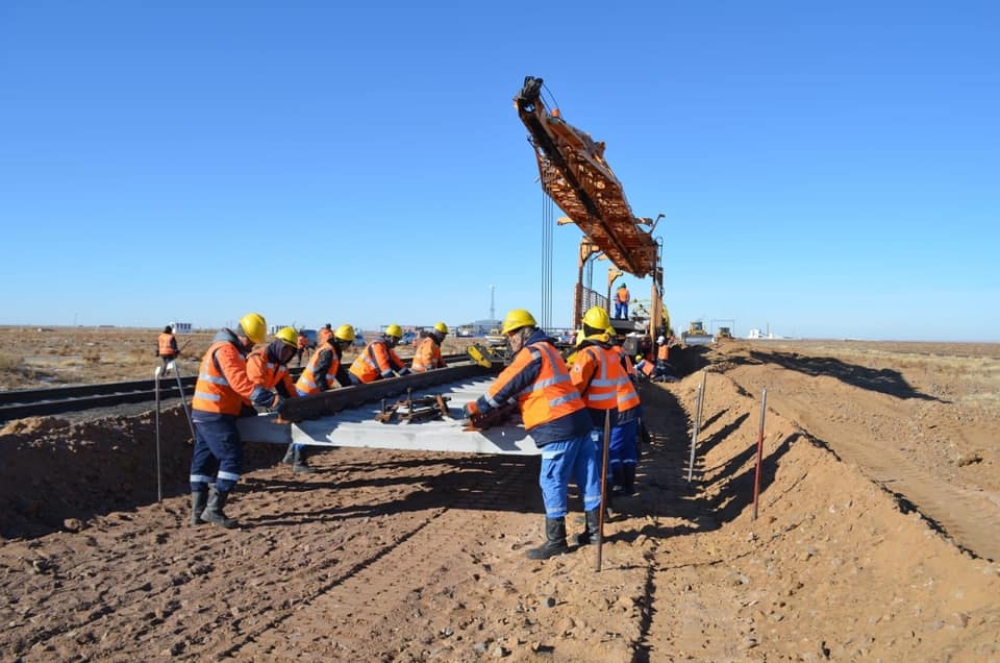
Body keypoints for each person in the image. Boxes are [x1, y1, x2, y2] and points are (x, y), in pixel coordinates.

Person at [463, 309, 601, 560]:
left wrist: (478, 406)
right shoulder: (549, 350)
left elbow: (505, 384)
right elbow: (531, 385)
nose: (509, 339)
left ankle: (556, 540)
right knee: (588, 477)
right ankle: (595, 532)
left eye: (512, 333)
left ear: (523, 331)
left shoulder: (532, 352)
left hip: (557, 426)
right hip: (580, 421)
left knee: (552, 481)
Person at [189, 313, 279, 529]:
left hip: (205, 412)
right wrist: (270, 399)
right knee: (232, 459)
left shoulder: (223, 348)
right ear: (242, 335)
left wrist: (248, 409)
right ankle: (214, 509)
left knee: (204, 460)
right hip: (216, 413)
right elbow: (240, 383)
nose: (251, 347)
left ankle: (197, 512)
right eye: (250, 342)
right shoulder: (227, 351)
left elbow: (234, 387)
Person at [569, 308, 640, 525]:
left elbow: (574, 387)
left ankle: (599, 513)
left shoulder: (589, 354)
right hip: (609, 414)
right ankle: (607, 506)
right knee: (604, 464)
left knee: (592, 467)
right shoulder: (611, 353)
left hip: (592, 416)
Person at [284, 324, 356, 472]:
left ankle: (291, 456)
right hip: (309, 393)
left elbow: (338, 372)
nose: (348, 347)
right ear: (344, 342)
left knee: (304, 425)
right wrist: (326, 394)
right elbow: (319, 374)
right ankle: (299, 462)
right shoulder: (329, 352)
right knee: (310, 427)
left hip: (309, 392)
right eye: (348, 344)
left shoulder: (333, 350)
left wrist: (350, 387)